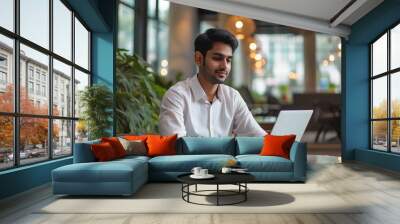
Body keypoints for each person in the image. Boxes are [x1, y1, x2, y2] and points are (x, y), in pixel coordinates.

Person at [159, 28, 267, 137]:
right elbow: (175, 145)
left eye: (228, 60)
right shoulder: (177, 96)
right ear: (199, 59)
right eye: (217, 58)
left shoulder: (232, 97)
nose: (225, 66)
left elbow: (259, 137)